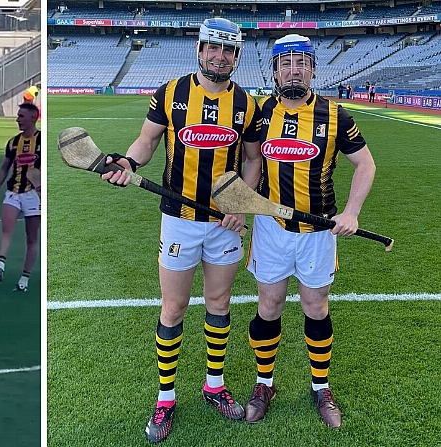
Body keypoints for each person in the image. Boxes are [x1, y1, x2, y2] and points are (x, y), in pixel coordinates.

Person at [100, 17, 263, 443]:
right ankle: (166, 397)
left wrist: (241, 204)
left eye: (228, 50)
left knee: (219, 303)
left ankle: (213, 386)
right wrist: (129, 164)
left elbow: (252, 160)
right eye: (213, 47)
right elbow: (147, 142)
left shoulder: (247, 104)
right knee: (173, 310)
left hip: (223, 222)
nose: (219, 56)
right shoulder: (170, 93)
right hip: (178, 219)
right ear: (199, 48)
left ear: (236, 56)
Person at [243, 34, 377, 429]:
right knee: (268, 308)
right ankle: (264, 384)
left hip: (319, 232)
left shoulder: (336, 116)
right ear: (274, 71)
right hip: (271, 228)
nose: (293, 70)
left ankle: (321, 386)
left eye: (301, 62)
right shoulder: (258, 112)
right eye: (285, 63)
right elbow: (245, 165)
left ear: (313, 69)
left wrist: (352, 212)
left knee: (316, 309)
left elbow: (366, 166)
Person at [0, 103, 41, 292]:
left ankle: (24, 278)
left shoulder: (41, 141)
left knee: (31, 238)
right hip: (13, 191)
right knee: (6, 229)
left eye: (21, 116)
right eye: (18, 116)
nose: (18, 120)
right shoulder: (13, 142)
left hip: (34, 194)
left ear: (33, 118)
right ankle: (0, 266)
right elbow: (4, 168)